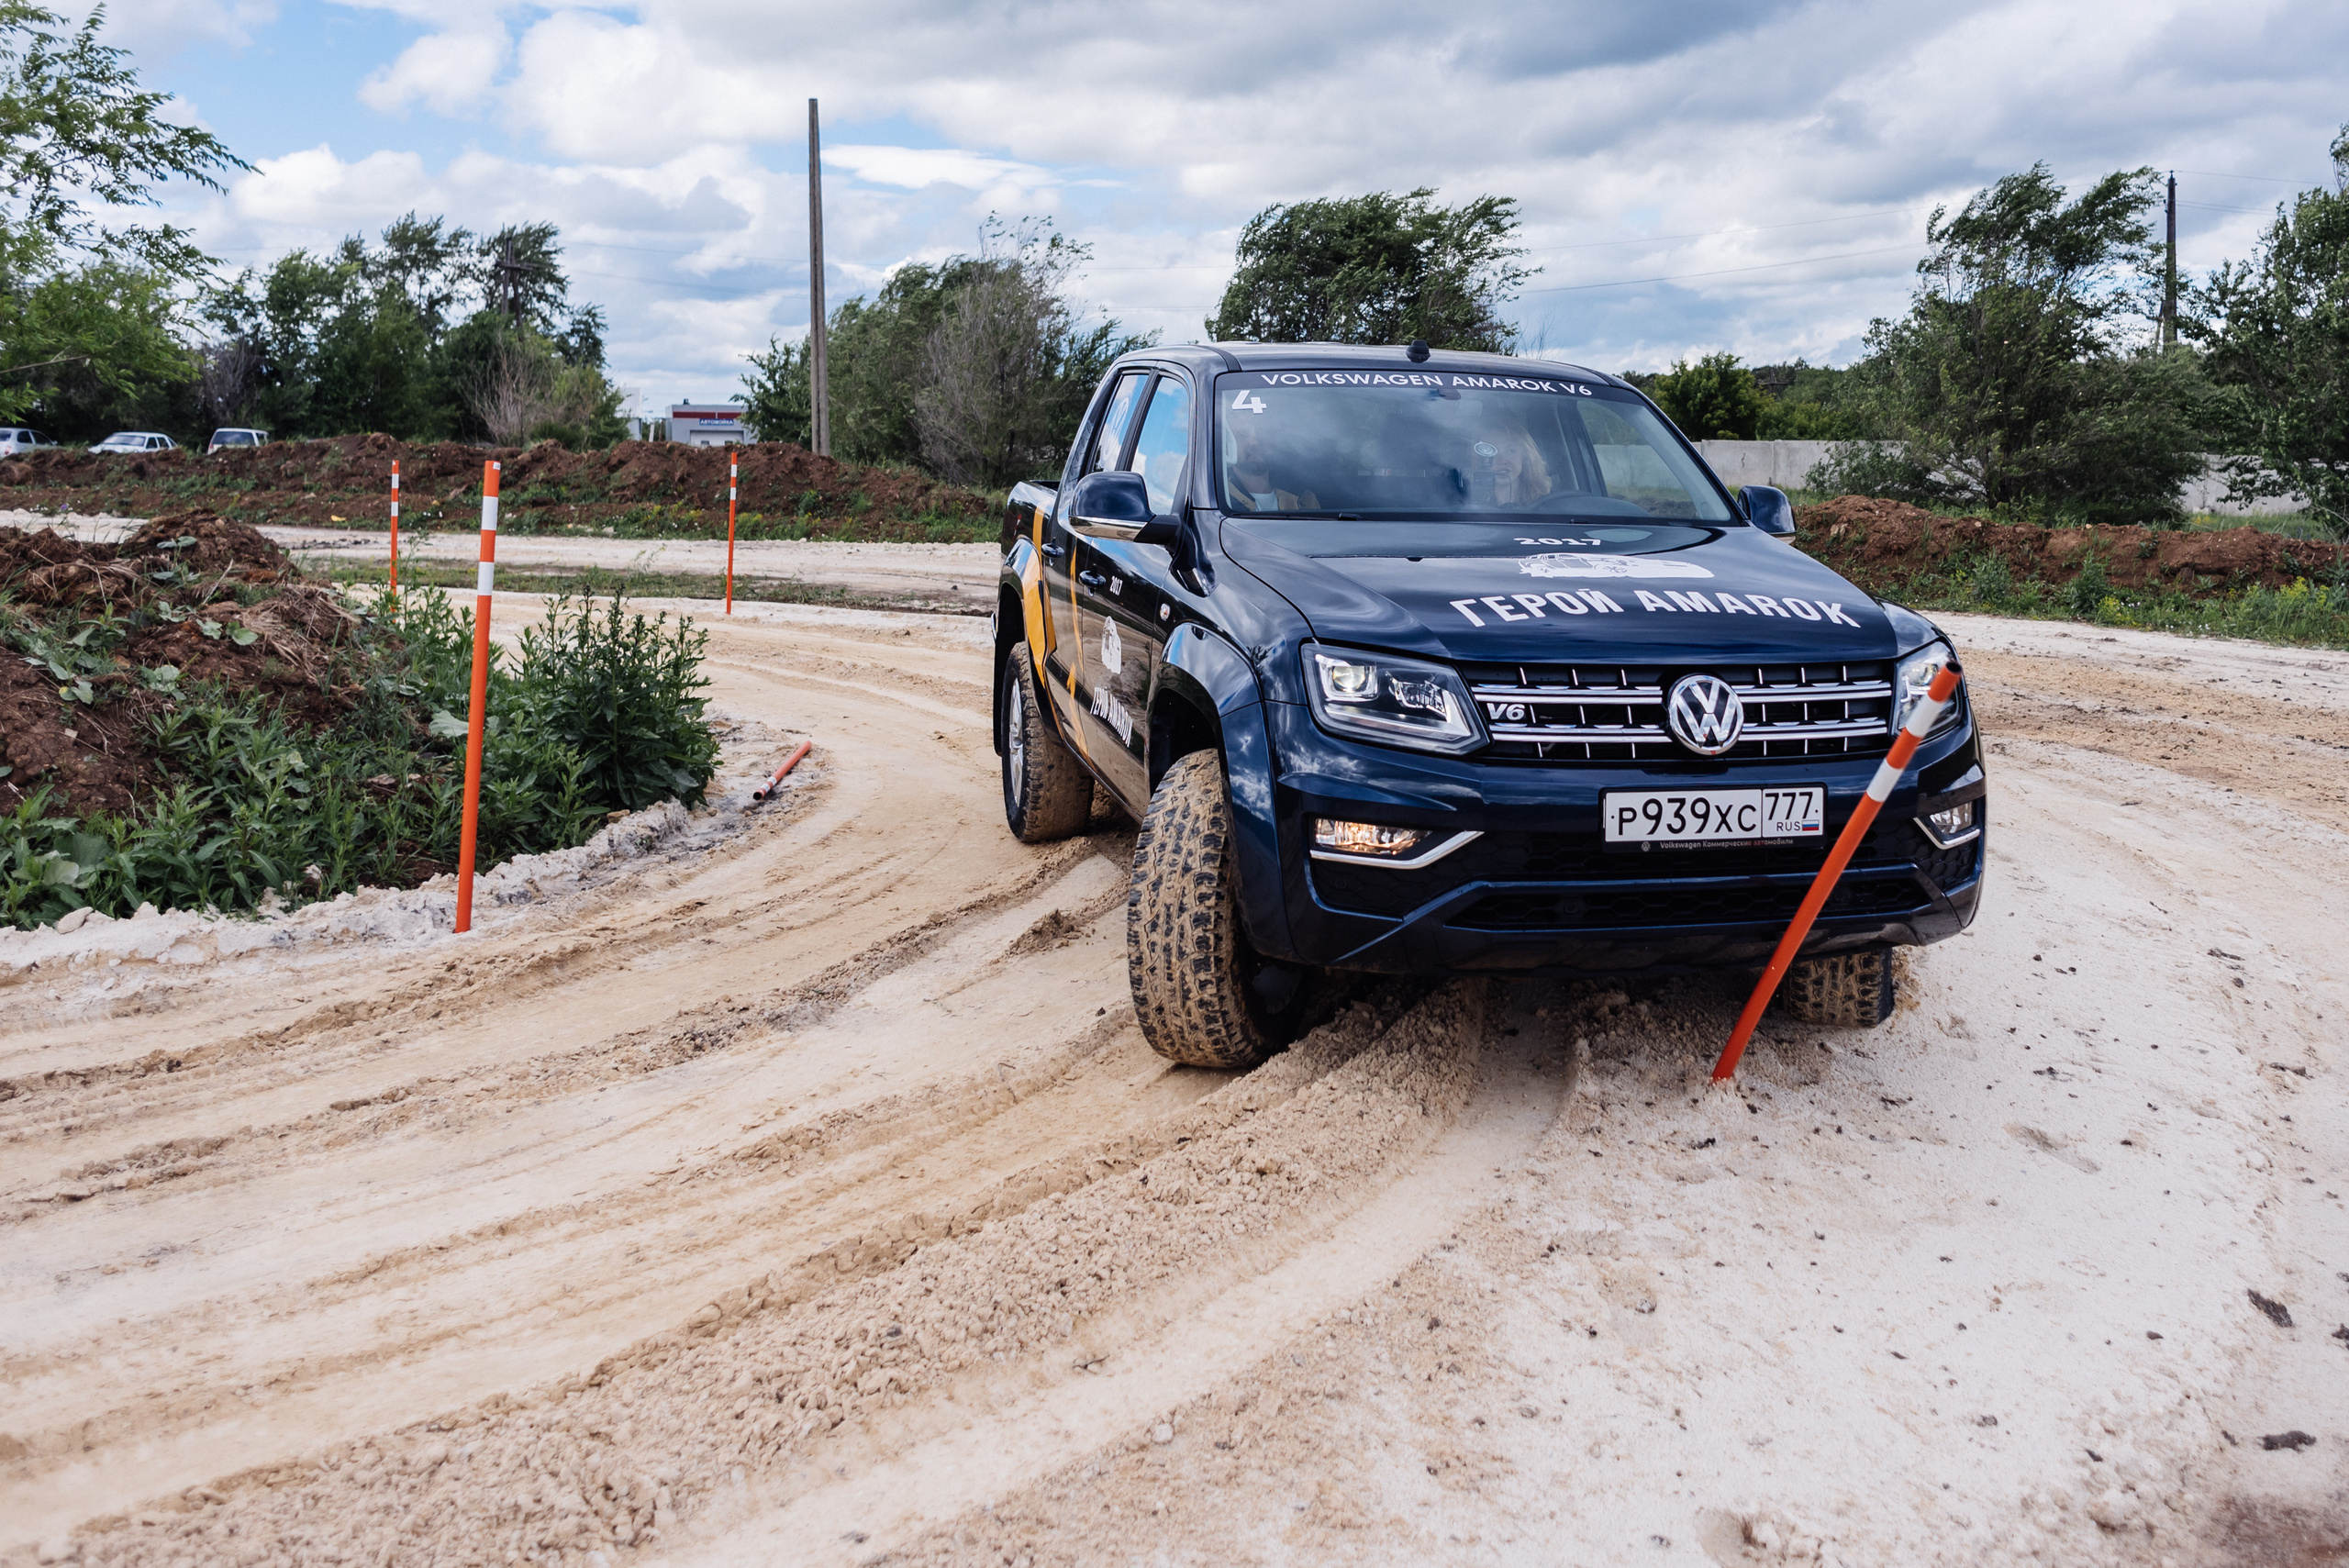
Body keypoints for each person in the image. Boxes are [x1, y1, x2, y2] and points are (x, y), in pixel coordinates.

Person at [1223, 416, 1319, 511]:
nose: (1254, 442)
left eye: (1262, 433)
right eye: (1242, 434)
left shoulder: (1303, 498)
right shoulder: (1219, 499)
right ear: (1227, 446)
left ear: (1274, 442)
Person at [1463, 422, 1552, 507]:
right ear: (1479, 459)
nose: (1501, 460)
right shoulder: (1465, 506)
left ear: (1525, 457)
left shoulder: (1545, 506)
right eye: (1491, 452)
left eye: (1511, 451)